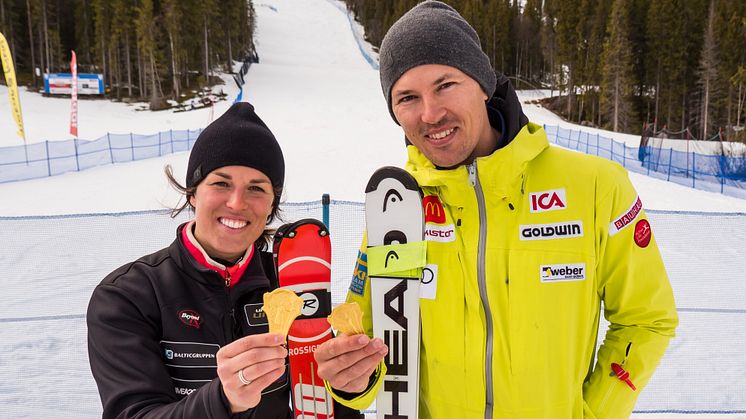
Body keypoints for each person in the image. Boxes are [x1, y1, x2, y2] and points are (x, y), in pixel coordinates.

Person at [314, 2, 678, 418]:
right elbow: (374, 346)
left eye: (445, 84)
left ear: (483, 84)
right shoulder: (397, 206)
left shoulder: (595, 186)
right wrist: (352, 380)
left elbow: (647, 320)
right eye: (407, 97)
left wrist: (595, 412)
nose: (430, 114)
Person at [87, 102, 362, 419]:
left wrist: (346, 390)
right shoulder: (128, 295)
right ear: (193, 192)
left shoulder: (292, 283)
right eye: (221, 183)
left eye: (256, 188)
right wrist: (222, 399)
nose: (237, 203)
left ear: (271, 205)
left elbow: (317, 405)